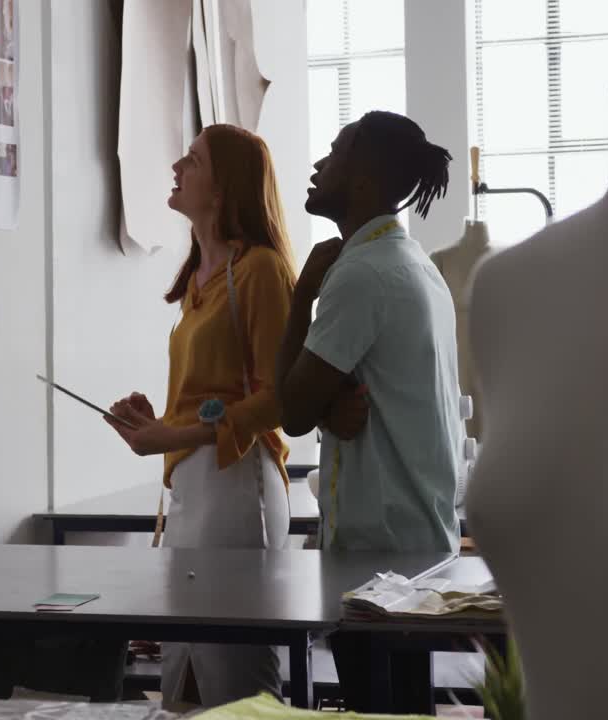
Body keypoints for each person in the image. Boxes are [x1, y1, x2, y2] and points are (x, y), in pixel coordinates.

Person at [275, 111, 464, 712]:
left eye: (332, 154)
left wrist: (301, 295)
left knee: (382, 708)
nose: (316, 166)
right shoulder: (414, 263)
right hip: (412, 542)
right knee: (404, 705)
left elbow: (292, 410)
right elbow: (355, 393)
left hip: (377, 555)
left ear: (360, 178)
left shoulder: (359, 275)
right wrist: (335, 403)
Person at [106, 123, 297, 709]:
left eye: (191, 160)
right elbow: (206, 394)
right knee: (183, 657)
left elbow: (278, 399)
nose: (176, 167)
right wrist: (153, 420)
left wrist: (175, 432)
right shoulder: (197, 280)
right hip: (190, 485)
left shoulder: (261, 271)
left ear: (221, 188)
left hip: (238, 486)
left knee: (233, 665)